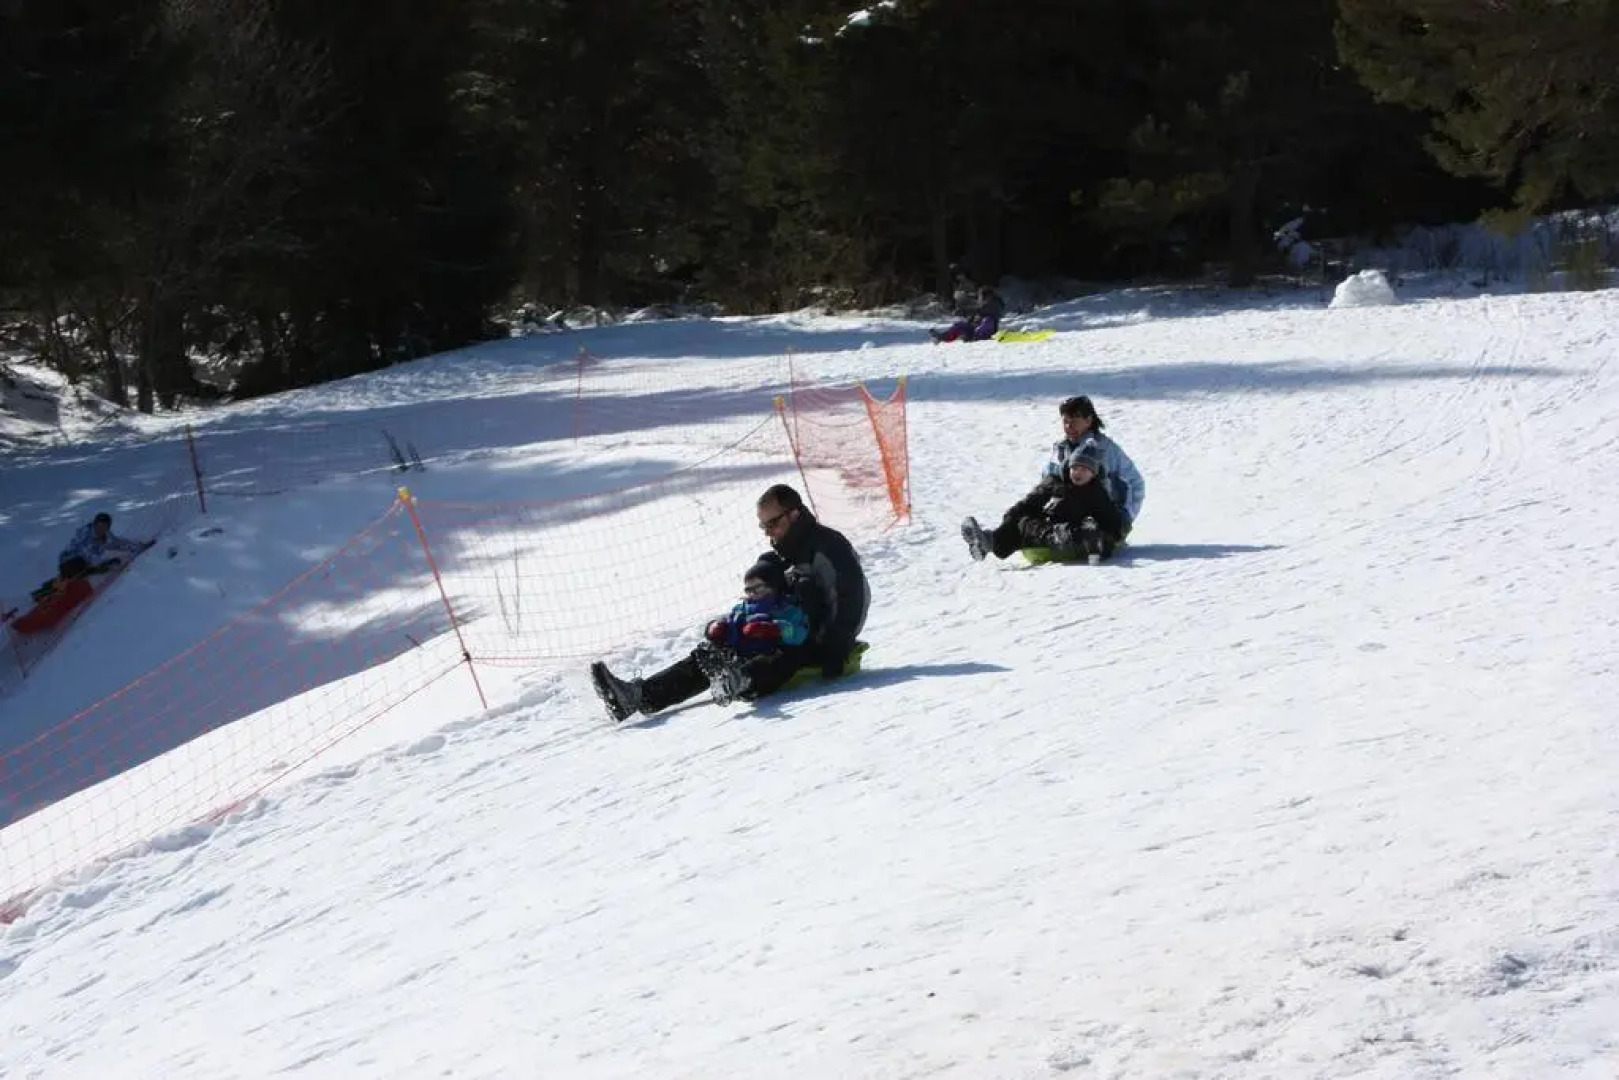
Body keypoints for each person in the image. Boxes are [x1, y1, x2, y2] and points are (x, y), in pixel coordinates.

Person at [589, 557, 814, 721]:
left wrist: (775, 629)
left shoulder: (785, 608)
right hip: (735, 656)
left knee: (772, 660)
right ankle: (638, 696)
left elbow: (799, 632)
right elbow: (729, 626)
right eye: (748, 589)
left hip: (765, 661)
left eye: (759, 588)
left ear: (774, 587)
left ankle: (738, 681)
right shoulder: (742, 609)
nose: (752, 594)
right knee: (698, 662)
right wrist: (718, 629)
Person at [754, 483, 869, 679]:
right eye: (763, 526)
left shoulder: (829, 546)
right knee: (765, 567)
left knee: (803, 586)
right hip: (792, 629)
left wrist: (836, 645)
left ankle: (745, 678)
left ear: (794, 514)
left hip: (826, 638)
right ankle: (685, 681)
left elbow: (853, 595)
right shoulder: (785, 550)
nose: (768, 533)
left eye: (772, 524)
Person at [961, 442, 1126, 564]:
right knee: (1020, 519)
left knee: (1025, 524)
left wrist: (1099, 537)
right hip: (1041, 526)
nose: (1078, 472)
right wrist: (1011, 515)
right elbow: (1030, 502)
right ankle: (987, 542)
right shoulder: (1054, 481)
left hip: (1067, 533)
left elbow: (1112, 524)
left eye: (1084, 469)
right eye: (1075, 467)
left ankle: (992, 541)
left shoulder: (1096, 493)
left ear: (1093, 473)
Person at [1041, 395, 1145, 536]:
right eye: (1065, 421)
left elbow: (1135, 482)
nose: (1068, 426)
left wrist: (1126, 516)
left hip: (1103, 514)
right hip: (1065, 510)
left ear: (1088, 420)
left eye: (1074, 421)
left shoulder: (1105, 449)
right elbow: (1047, 480)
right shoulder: (1060, 448)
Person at [33, 512, 153, 601]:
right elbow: (86, 553)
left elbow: (120, 544)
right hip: (69, 560)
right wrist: (105, 563)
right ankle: (48, 592)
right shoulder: (85, 533)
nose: (101, 529)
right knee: (78, 568)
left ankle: (49, 588)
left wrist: (140, 547)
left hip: (85, 563)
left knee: (85, 570)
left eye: (104, 527)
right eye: (98, 526)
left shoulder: (107, 536)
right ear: (94, 524)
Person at [930, 285, 1006, 343]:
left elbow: (983, 311)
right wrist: (967, 317)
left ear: (987, 296)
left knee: (987, 320)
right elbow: (975, 313)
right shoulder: (983, 304)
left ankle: (974, 337)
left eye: (981, 296)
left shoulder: (995, 304)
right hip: (975, 328)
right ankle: (942, 337)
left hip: (988, 331)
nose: (979, 298)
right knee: (960, 325)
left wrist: (966, 311)